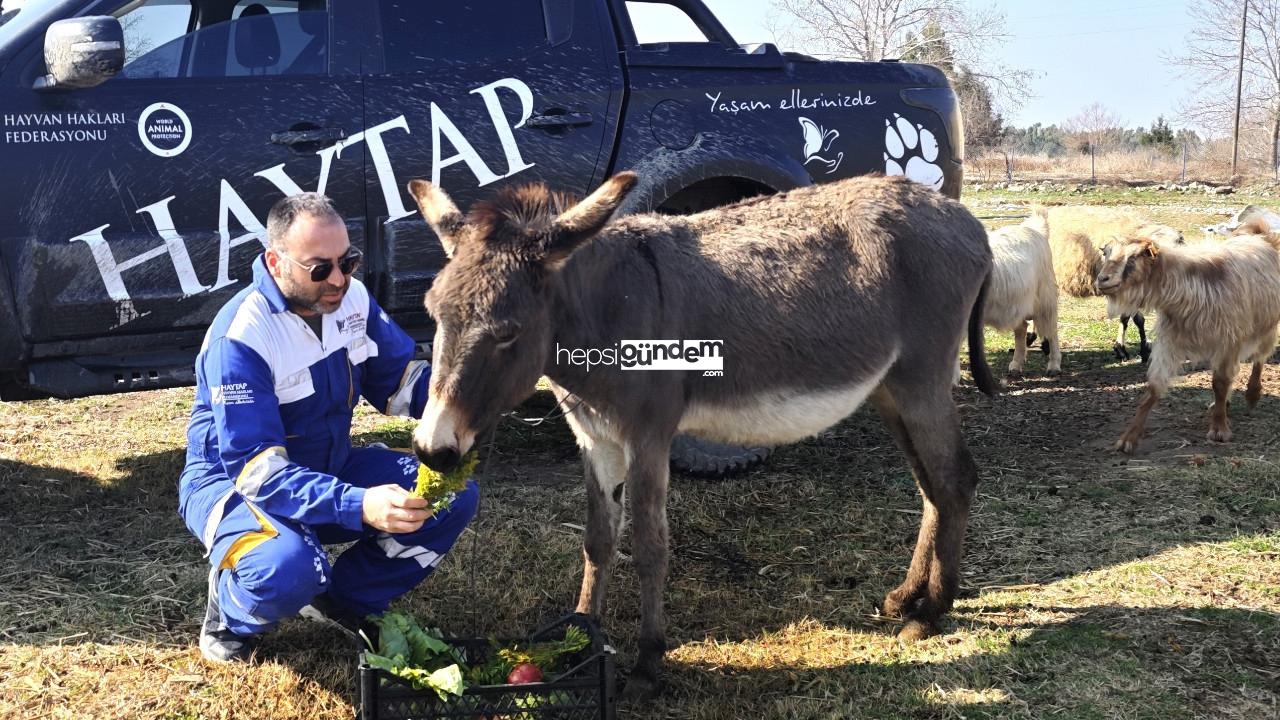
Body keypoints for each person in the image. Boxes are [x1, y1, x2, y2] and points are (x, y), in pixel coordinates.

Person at [178, 192, 478, 663]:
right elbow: (257, 472)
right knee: (291, 568)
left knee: (452, 496)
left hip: (328, 465)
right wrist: (359, 504)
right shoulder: (241, 338)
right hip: (235, 486)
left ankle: (344, 601)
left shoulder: (350, 298)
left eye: (348, 261)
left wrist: (467, 405)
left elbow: (399, 381)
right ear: (276, 263)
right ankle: (231, 614)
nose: (339, 279)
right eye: (321, 268)